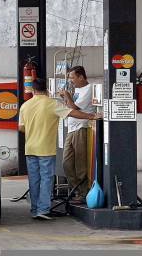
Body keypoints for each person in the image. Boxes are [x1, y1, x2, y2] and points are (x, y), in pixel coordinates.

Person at [20, 78, 101, 220]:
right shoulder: (51, 104)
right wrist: (92, 116)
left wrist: (33, 130)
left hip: (30, 148)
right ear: (47, 89)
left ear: (33, 90)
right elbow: (72, 113)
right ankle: (43, 210)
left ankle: (34, 210)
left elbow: (21, 127)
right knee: (46, 179)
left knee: (34, 180)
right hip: (45, 149)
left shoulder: (25, 106)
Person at [59, 66, 95, 203]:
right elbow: (69, 106)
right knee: (67, 163)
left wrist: (67, 96)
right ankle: (77, 190)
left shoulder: (89, 89)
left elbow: (74, 107)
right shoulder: (78, 90)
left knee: (81, 164)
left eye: (72, 77)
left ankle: (84, 193)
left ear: (81, 77)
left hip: (81, 128)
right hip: (71, 129)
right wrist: (66, 97)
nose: (71, 81)